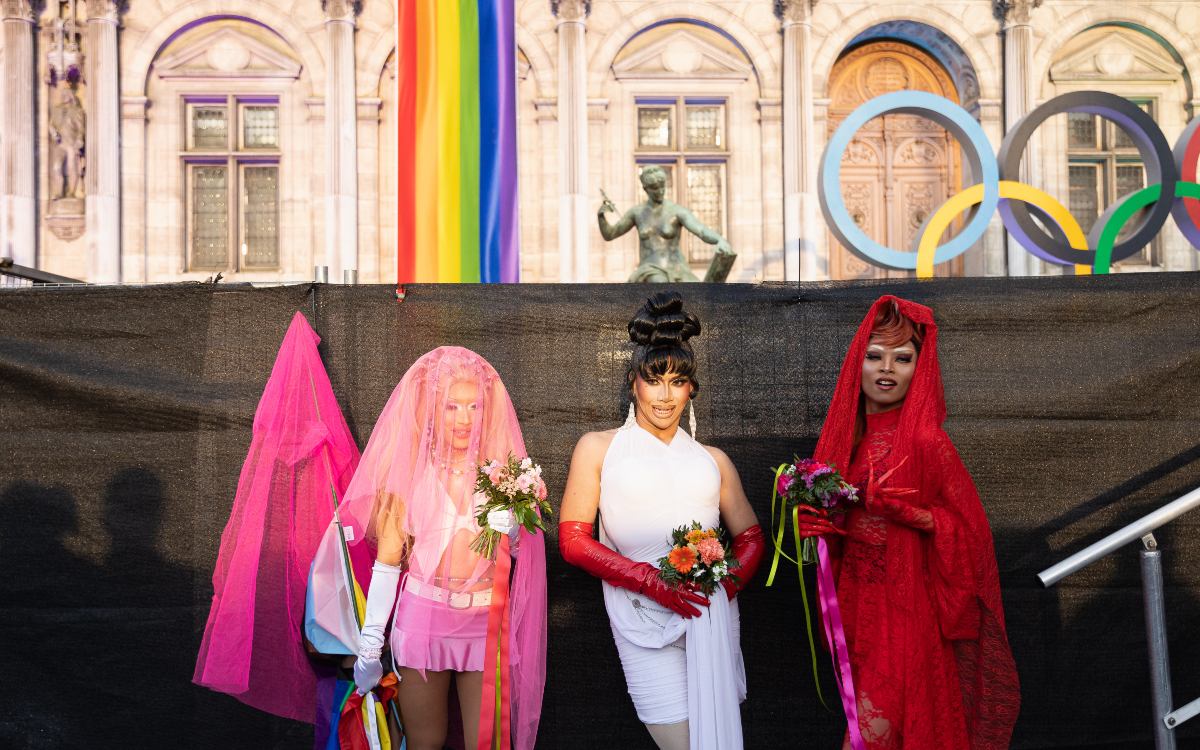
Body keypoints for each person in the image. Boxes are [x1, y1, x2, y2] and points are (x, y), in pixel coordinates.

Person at [798, 296, 1019, 750]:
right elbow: (838, 519)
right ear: (857, 362)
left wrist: (911, 515)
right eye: (875, 355)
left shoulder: (926, 440)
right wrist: (818, 527)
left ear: (920, 368)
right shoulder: (847, 436)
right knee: (873, 725)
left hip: (904, 605)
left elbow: (971, 534)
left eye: (903, 358)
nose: (887, 368)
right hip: (855, 599)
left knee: (870, 735)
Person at [558, 291, 766, 750]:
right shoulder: (598, 447)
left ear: (692, 388)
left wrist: (725, 586)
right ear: (634, 383)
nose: (666, 395)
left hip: (710, 616)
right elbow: (573, 540)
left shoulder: (714, 459)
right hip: (641, 620)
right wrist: (651, 581)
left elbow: (751, 536)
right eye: (655, 381)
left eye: (678, 381)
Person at [339, 347, 547, 750]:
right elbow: (387, 562)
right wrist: (369, 645)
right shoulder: (409, 470)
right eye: (451, 406)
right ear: (432, 408)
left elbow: (522, 556)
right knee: (424, 743)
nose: (464, 419)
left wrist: (517, 529)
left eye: (474, 406)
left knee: (488, 744)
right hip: (424, 623)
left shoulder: (504, 473)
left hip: (486, 625)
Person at [598, 166, 736, 283]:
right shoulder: (637, 213)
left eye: (662, 186)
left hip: (678, 269)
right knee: (659, 282)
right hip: (650, 270)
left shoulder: (676, 211)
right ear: (645, 188)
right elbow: (610, 234)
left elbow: (700, 230)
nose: (661, 191)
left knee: (698, 295)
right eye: (655, 188)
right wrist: (601, 216)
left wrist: (720, 240)